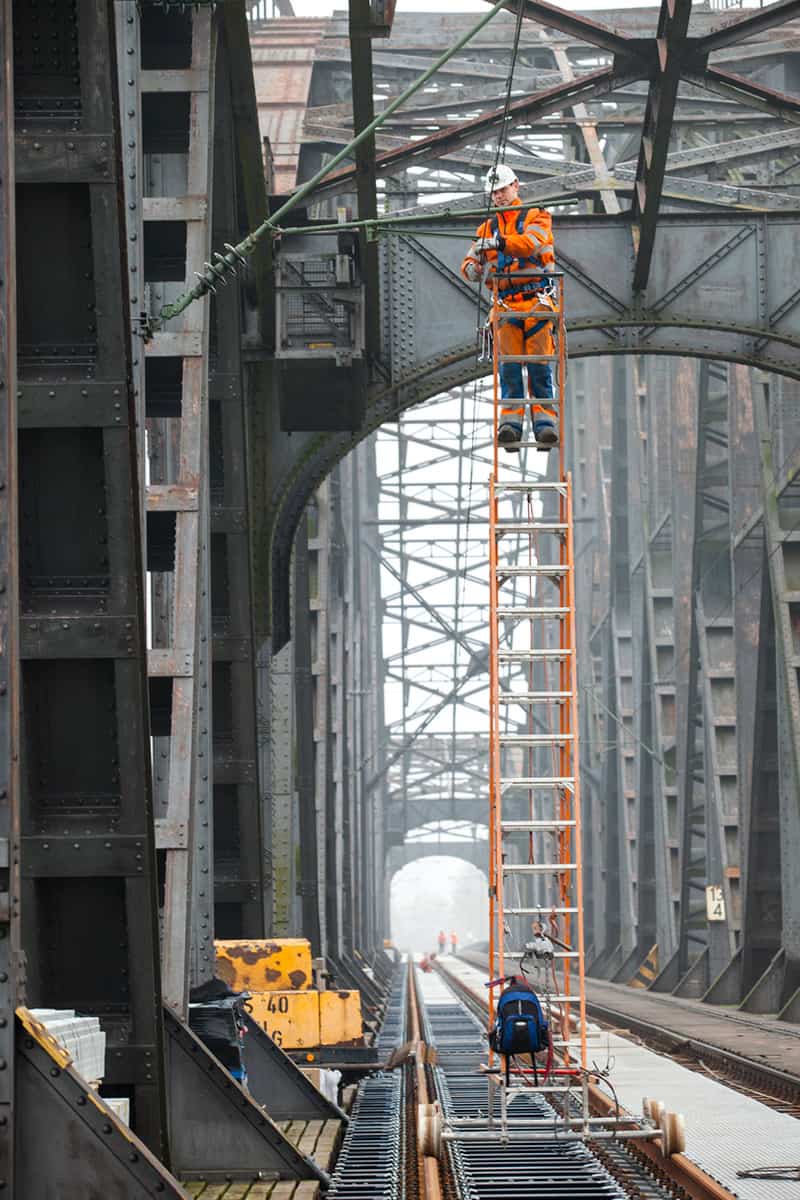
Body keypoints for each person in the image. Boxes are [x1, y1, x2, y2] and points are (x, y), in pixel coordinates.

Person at [460, 163, 558, 452]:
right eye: (494, 193)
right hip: (505, 306)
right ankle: (511, 426)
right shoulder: (486, 229)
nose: (499, 197)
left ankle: (545, 424)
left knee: (540, 365)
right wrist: (473, 269)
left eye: (502, 190)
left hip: (536, 301)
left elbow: (530, 244)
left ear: (515, 185)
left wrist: (499, 243)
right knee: (510, 368)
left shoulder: (537, 216)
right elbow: (468, 262)